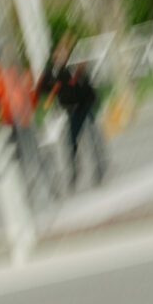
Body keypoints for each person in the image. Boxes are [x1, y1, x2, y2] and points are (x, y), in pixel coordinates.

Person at [0, 48, 57, 204]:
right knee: (29, 157)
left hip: (16, 122)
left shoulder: (8, 75)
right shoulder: (12, 74)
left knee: (22, 158)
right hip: (17, 122)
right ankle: (40, 189)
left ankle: (33, 190)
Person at [40, 35, 107, 189]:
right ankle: (74, 172)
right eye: (59, 53)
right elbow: (45, 87)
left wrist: (94, 103)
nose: (62, 56)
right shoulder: (53, 71)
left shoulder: (75, 67)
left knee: (92, 139)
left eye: (65, 53)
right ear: (55, 55)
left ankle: (99, 168)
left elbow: (87, 86)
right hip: (71, 110)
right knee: (70, 143)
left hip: (84, 107)